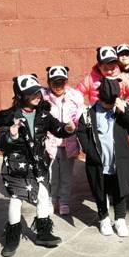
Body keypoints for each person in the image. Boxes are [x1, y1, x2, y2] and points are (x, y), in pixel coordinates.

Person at [0, 74, 75, 257]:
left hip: (39, 164)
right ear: (20, 96)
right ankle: (12, 237)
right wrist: (11, 136)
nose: (37, 96)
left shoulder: (43, 114)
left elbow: (57, 128)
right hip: (17, 167)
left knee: (43, 195)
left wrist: (67, 129)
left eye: (38, 92)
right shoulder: (11, 117)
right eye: (31, 93)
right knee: (16, 199)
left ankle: (43, 233)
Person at [76, 78, 129, 237]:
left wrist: (123, 109)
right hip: (98, 162)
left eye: (112, 103)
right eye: (106, 103)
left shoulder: (120, 108)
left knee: (120, 190)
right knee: (100, 190)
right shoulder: (89, 112)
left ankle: (120, 220)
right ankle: (103, 218)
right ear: (99, 98)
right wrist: (89, 150)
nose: (109, 106)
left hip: (119, 161)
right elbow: (81, 132)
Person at [42, 66, 84, 216]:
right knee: (51, 175)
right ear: (49, 82)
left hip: (69, 143)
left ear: (66, 81)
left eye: (61, 82)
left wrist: (76, 125)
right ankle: (51, 200)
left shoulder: (75, 96)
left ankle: (64, 201)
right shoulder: (43, 97)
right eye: (55, 82)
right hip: (50, 143)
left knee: (66, 176)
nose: (58, 86)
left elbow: (80, 115)